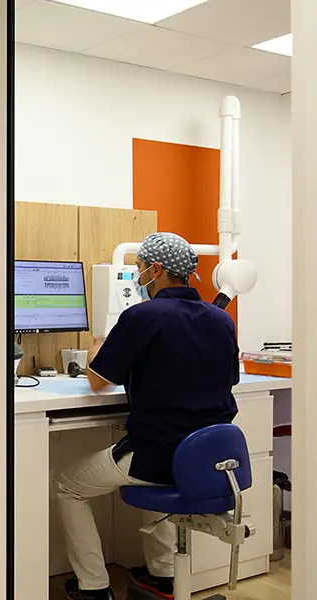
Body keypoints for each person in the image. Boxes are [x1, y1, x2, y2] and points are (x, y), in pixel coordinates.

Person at [55, 232, 240, 600]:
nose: (136, 276)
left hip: (157, 458)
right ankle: (164, 575)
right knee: (159, 472)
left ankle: (94, 587)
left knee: (68, 486)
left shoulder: (142, 316)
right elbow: (226, 378)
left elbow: (98, 382)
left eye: (138, 268)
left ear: (155, 270)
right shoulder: (221, 319)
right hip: (210, 460)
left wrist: (97, 345)